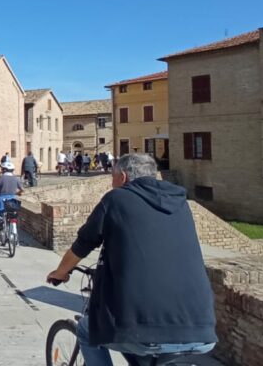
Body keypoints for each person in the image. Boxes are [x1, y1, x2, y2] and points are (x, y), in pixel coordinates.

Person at [46, 154, 217, 366]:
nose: (111, 183)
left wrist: (60, 272)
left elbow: (82, 245)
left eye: (113, 177)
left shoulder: (115, 200)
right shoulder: (181, 203)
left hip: (144, 330)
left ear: (123, 177)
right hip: (200, 328)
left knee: (85, 330)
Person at [0, 161, 23, 230]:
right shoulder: (16, 178)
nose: (1, 170)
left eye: (2, 169)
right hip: (12, 199)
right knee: (12, 213)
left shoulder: (1, 178)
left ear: (4, 170)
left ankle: (1, 220)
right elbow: (22, 189)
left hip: (2, 198)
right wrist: (18, 193)